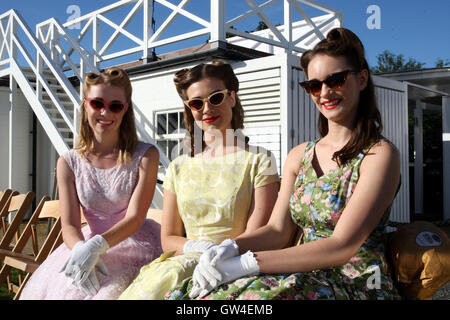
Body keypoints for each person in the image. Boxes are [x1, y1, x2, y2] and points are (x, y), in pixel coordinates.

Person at [166, 28, 402, 300]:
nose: (324, 92)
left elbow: (342, 245)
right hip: (300, 272)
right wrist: (229, 247)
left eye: (335, 80)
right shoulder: (299, 155)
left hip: (355, 281)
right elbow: (278, 231)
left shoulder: (379, 154)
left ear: (361, 80)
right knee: (187, 296)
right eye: (313, 85)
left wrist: (246, 264)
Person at [119, 61, 280, 300]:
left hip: (234, 267)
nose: (207, 109)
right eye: (196, 103)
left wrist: (221, 252)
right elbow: (168, 239)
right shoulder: (178, 167)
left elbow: (259, 233)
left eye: (216, 98)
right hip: (180, 266)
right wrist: (197, 248)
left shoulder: (260, 160)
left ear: (232, 98)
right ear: (189, 109)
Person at [19, 67, 163, 300]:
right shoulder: (68, 162)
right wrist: (80, 250)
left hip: (136, 245)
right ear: (85, 104)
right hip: (85, 245)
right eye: (97, 103)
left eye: (115, 106)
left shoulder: (146, 155)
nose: (105, 112)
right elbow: (70, 225)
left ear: (125, 110)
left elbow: (135, 217)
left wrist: (97, 246)